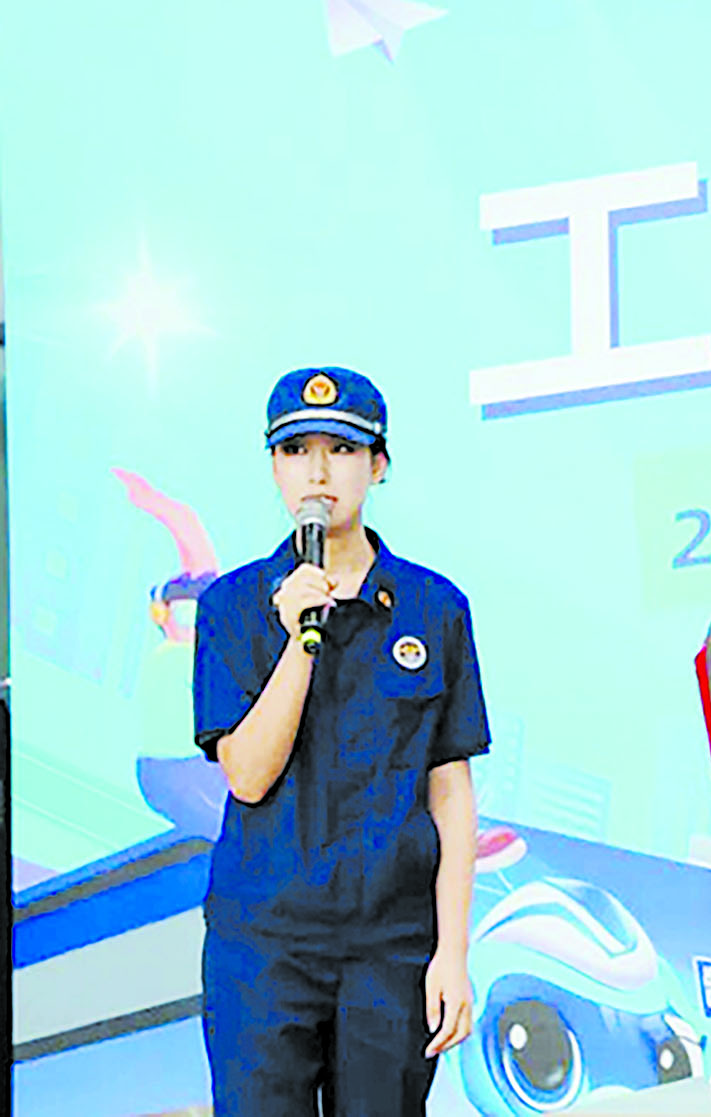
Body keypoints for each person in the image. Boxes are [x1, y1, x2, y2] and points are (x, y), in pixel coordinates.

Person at [193, 366, 490, 1115]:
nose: (318, 473)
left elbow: (450, 794)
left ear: (378, 465)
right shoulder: (232, 606)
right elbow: (247, 775)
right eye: (296, 451)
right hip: (264, 948)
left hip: (391, 947)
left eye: (342, 450)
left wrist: (452, 952)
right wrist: (300, 638)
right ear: (274, 467)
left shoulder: (434, 607)